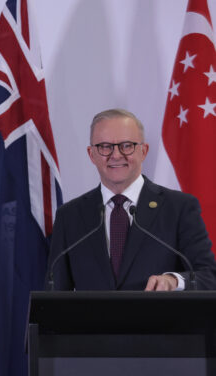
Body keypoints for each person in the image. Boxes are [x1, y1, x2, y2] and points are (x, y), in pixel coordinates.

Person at [49, 108, 216, 291]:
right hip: (91, 321)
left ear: (143, 151)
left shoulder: (179, 208)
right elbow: (55, 293)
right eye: (105, 146)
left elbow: (209, 276)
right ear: (91, 154)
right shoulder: (69, 216)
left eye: (127, 145)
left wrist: (173, 280)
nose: (116, 155)